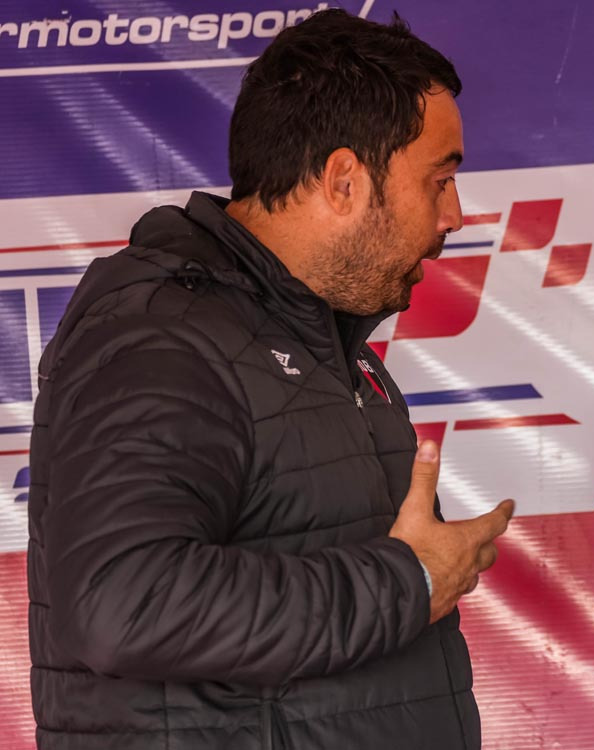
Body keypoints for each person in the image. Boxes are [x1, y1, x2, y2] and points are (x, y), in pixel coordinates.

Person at [28, 10, 514, 749]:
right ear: (345, 181)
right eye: (439, 179)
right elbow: (121, 603)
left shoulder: (327, 348)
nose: (454, 215)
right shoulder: (164, 338)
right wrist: (406, 583)